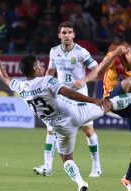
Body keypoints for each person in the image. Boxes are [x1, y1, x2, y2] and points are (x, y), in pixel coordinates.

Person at [0, 46, 131, 191]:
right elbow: (69, 93)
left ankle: (81, 183)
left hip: (59, 127)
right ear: (36, 69)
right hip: (76, 114)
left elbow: (5, 79)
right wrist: (93, 100)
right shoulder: (47, 81)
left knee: (66, 158)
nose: (42, 67)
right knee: (109, 104)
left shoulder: (20, 86)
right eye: (39, 65)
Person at [33, 21, 101, 178]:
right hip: (61, 96)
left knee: (88, 130)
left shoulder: (81, 52)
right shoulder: (54, 51)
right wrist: (45, 86)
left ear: (74, 35)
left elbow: (96, 69)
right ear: (59, 35)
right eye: (64, 33)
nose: (67, 35)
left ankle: (96, 165)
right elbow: (50, 70)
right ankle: (47, 166)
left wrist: (83, 81)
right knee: (51, 129)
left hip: (79, 96)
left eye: (69, 32)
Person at [97, 39, 131, 191]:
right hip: (111, 98)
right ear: (128, 52)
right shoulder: (115, 56)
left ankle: (128, 178)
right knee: (130, 82)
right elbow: (99, 72)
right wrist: (114, 54)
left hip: (129, 101)